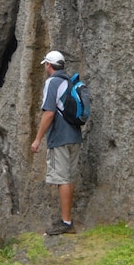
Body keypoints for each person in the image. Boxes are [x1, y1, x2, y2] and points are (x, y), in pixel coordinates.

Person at [30, 50, 83, 235]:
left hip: (60, 138)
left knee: (62, 180)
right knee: (68, 178)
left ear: (49, 65)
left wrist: (37, 139)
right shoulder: (70, 81)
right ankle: (67, 219)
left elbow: (49, 113)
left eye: (46, 64)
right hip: (75, 137)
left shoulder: (52, 82)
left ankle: (66, 223)